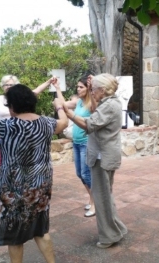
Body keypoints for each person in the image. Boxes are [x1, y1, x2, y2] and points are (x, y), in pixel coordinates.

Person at [0, 82, 68, 263]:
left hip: (13, 187)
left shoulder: (6, 126)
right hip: (40, 185)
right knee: (40, 228)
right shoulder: (47, 123)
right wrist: (59, 106)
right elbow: (64, 122)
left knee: (14, 234)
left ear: (12, 106)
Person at [63, 73, 127, 249]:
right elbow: (94, 112)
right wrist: (92, 88)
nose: (92, 91)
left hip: (103, 157)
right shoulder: (110, 103)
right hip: (104, 155)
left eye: (94, 89)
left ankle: (108, 236)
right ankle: (116, 230)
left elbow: (89, 124)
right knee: (106, 196)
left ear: (103, 90)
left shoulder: (109, 106)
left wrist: (69, 114)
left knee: (101, 198)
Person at [0, 75, 55, 166]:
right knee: (4, 164)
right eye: (6, 85)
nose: (8, 87)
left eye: (11, 85)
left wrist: (49, 82)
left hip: (21, 135)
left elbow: (37, 90)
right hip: (4, 136)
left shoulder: (23, 98)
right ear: (2, 86)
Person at [53, 74, 97, 217]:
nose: (78, 89)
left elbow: (94, 113)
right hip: (76, 143)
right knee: (80, 174)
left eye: (81, 87)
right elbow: (63, 105)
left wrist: (92, 87)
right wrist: (58, 88)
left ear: (88, 88)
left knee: (86, 174)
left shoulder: (91, 104)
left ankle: (95, 202)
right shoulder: (78, 102)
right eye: (77, 86)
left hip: (86, 143)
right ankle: (92, 199)